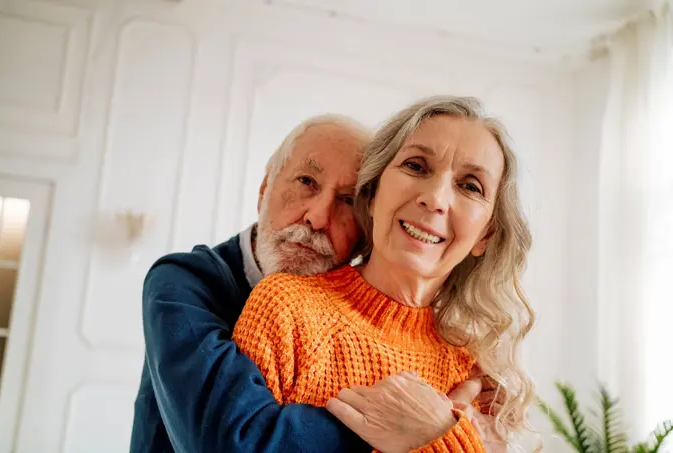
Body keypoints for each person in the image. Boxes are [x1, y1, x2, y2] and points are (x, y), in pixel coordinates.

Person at [129, 114, 489, 453]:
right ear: (265, 187)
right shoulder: (181, 282)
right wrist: (413, 427)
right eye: (306, 182)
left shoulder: (448, 343)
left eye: (347, 200)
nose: (317, 217)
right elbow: (229, 442)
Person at [233, 96, 535, 452]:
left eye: (470, 186)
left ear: (486, 234)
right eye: (417, 166)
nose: (435, 197)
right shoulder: (286, 307)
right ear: (373, 193)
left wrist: (440, 437)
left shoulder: (473, 367)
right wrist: (442, 441)